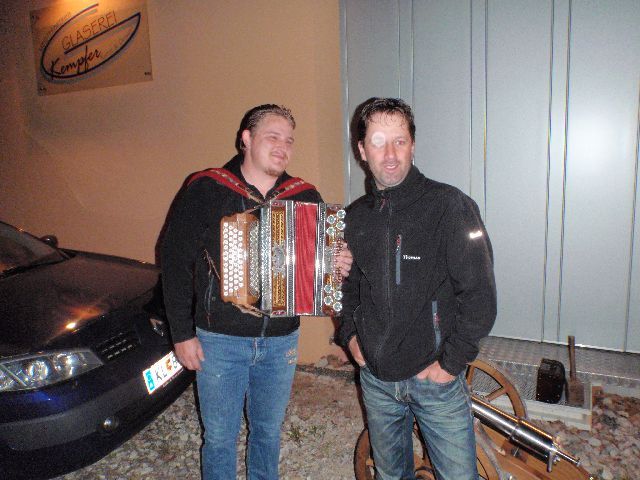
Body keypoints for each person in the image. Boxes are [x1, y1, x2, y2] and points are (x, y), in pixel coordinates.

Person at [161, 104, 352, 480]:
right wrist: (182, 334)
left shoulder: (304, 195)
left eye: (289, 141)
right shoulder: (207, 188)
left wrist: (338, 263)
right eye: (272, 137)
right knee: (219, 437)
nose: (283, 147)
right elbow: (175, 263)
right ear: (246, 139)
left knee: (268, 433)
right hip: (220, 340)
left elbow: (323, 269)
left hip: (281, 339)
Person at [337, 98, 496, 480]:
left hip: (434, 381)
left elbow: (480, 296)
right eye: (378, 142)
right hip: (377, 380)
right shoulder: (354, 218)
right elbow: (346, 287)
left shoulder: (450, 207)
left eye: (400, 141)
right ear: (362, 150)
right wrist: (350, 336)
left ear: (413, 145)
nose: (390, 155)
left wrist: (451, 363)